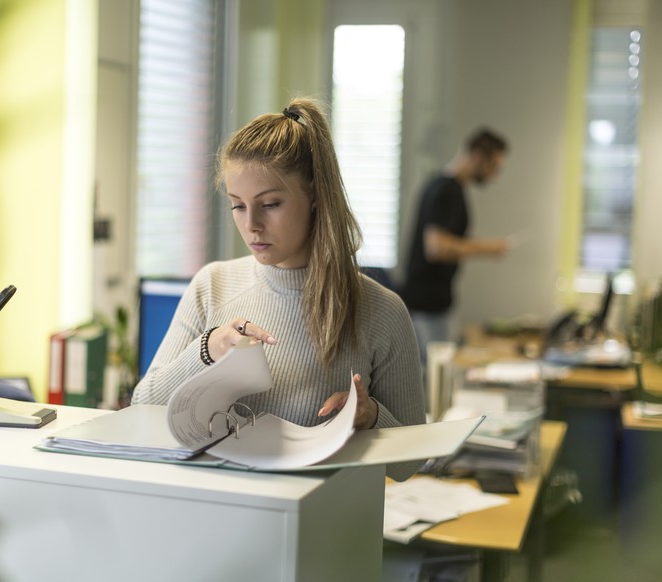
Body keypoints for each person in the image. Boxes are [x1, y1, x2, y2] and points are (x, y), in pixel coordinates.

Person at [131, 97, 425, 435]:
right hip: (215, 489)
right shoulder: (211, 286)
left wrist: (371, 416)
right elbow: (141, 408)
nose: (252, 224)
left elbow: (411, 462)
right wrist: (208, 349)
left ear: (315, 195)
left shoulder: (381, 311)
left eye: (270, 204)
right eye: (237, 206)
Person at [399, 128, 510, 362]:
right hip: (426, 308)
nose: (494, 176)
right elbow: (437, 248)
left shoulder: (449, 188)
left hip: (435, 306)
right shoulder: (445, 190)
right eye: (494, 167)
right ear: (478, 156)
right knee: (430, 383)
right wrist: (489, 249)